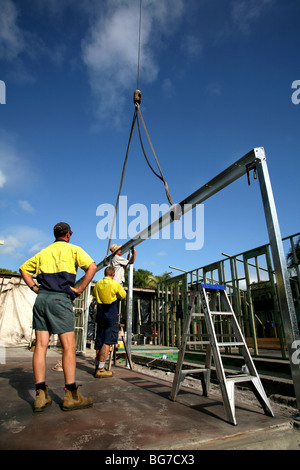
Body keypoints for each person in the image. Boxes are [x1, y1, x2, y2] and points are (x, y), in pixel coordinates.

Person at [19, 222, 97, 412]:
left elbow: (23, 269)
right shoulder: (73, 250)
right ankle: (71, 395)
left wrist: (34, 288)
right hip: (60, 299)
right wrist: (79, 290)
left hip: (42, 299)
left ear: (55, 235)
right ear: (68, 235)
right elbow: (92, 267)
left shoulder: (44, 252)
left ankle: (40, 396)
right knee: (69, 346)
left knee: (41, 345)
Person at [93, 266, 126, 378]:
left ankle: (97, 366)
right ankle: (101, 369)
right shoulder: (114, 284)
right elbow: (123, 295)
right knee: (107, 341)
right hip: (110, 315)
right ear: (113, 275)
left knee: (99, 341)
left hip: (100, 314)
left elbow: (94, 294)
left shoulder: (98, 284)